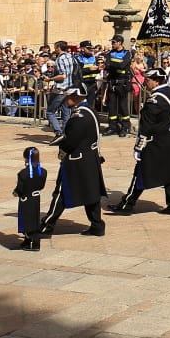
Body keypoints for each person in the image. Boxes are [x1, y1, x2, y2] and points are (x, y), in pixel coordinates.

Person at [110, 69, 170, 215]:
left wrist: (139, 147)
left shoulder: (154, 100)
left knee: (140, 173)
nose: (145, 82)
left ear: (157, 81)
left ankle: (127, 205)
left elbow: (146, 126)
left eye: (148, 79)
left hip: (156, 143)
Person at [39, 86, 107, 237]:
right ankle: (97, 224)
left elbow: (71, 140)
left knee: (61, 192)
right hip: (90, 157)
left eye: (68, 96)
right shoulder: (90, 111)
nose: (65, 99)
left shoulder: (79, 117)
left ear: (76, 97)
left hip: (77, 159)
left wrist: (62, 150)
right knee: (91, 193)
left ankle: (47, 225)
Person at [45, 40, 80, 143]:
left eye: (55, 47)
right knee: (66, 112)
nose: (54, 49)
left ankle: (58, 133)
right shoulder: (71, 56)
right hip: (70, 88)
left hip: (61, 89)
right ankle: (66, 134)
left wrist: (50, 79)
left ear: (59, 48)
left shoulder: (60, 59)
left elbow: (63, 75)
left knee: (50, 112)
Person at [13, 146, 48, 250]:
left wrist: (16, 192)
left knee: (27, 220)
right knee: (34, 218)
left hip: (26, 199)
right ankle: (27, 241)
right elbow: (41, 186)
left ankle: (35, 243)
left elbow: (20, 188)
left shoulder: (23, 174)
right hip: (36, 198)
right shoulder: (43, 171)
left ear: (26, 158)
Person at [101, 35, 134, 137]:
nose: (112, 44)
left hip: (122, 83)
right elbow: (106, 64)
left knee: (123, 107)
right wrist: (109, 64)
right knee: (112, 107)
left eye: (114, 42)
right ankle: (112, 127)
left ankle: (125, 127)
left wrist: (109, 63)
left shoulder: (127, 53)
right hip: (112, 82)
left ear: (120, 42)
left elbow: (122, 65)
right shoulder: (110, 53)